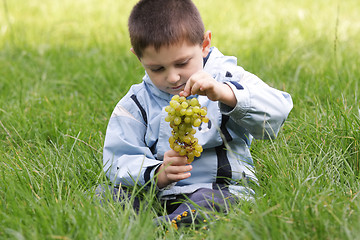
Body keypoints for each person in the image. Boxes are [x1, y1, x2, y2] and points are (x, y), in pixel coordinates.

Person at [99, 0, 293, 228]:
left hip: (219, 188)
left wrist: (226, 93)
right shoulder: (137, 102)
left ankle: (162, 225)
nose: (172, 78)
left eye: (182, 63)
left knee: (215, 202)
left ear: (204, 44)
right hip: (160, 194)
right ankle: (167, 220)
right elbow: (118, 157)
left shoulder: (227, 78)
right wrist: (157, 173)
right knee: (106, 194)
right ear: (138, 58)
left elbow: (278, 110)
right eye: (157, 69)